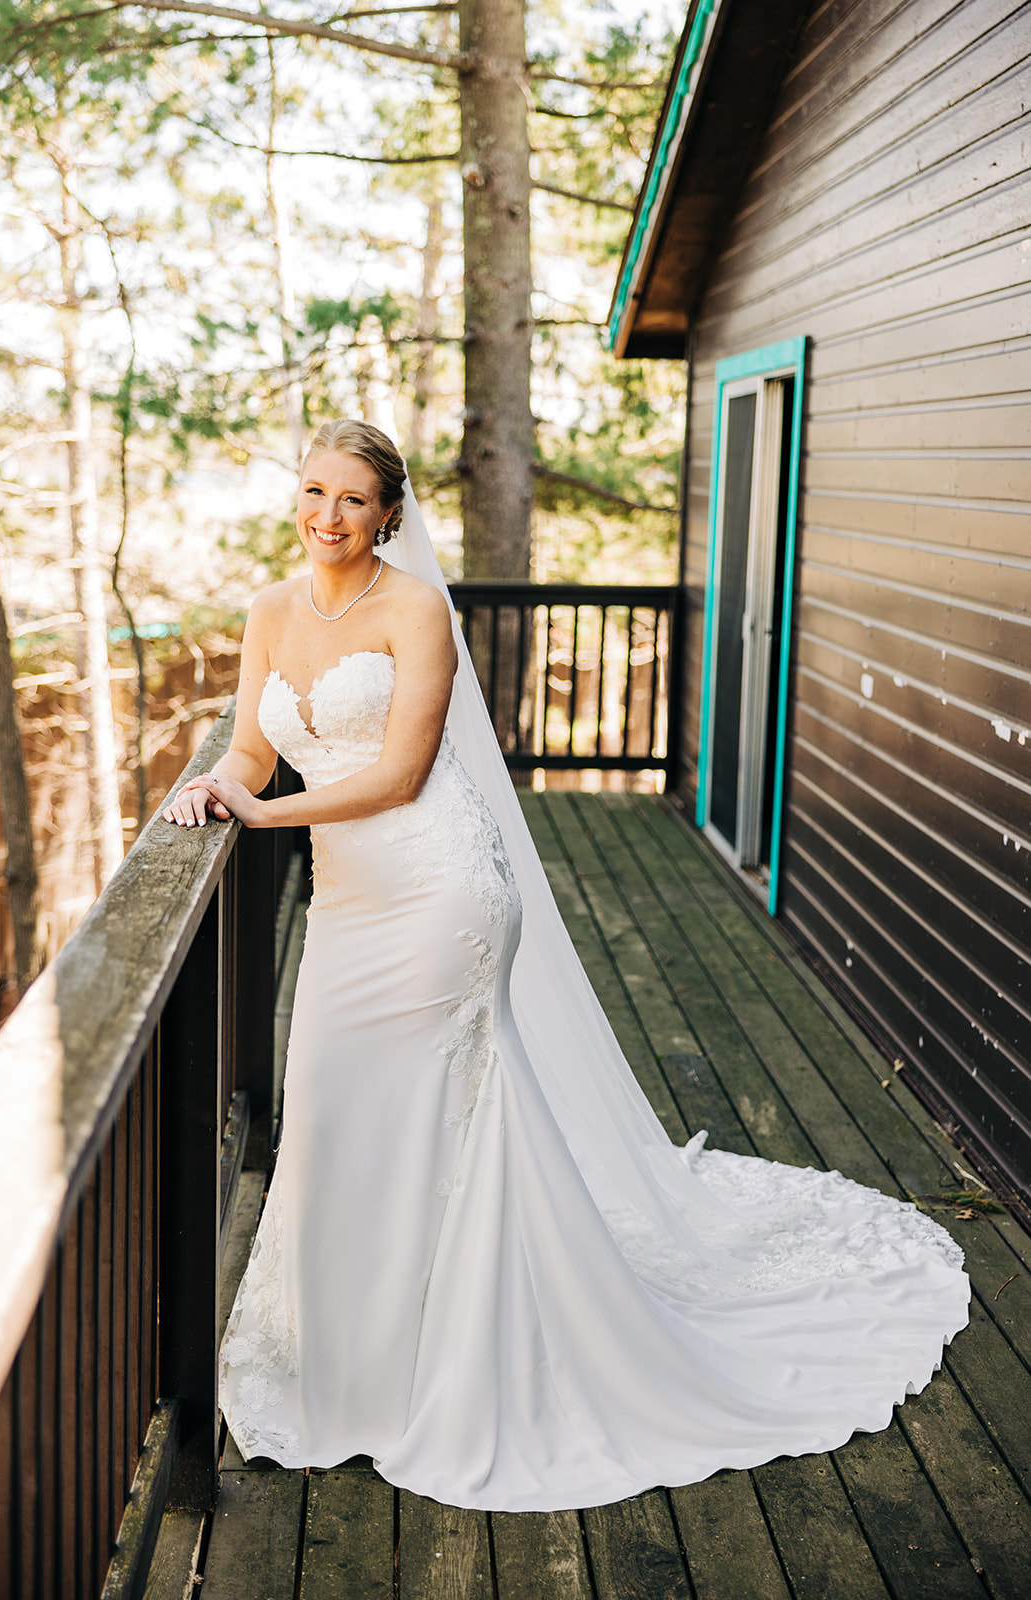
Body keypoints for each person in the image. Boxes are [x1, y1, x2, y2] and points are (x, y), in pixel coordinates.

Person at [163, 418, 970, 1513]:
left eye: (352, 498)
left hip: (442, 891)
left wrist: (266, 814)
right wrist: (213, 784)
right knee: (338, 1115)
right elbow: (256, 742)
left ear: (389, 512)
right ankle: (347, 1359)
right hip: (349, 903)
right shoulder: (269, 609)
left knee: (435, 1116)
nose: (328, 515)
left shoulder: (414, 610)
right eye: (313, 491)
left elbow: (401, 773)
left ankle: (457, 1359)